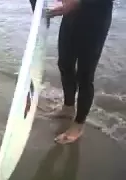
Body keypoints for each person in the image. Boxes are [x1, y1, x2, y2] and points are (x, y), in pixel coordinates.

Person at [47, 0, 113, 144]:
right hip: (71, 16)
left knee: (85, 74)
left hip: (96, 17)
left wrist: (79, 2)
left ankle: (78, 124)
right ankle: (68, 108)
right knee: (64, 63)